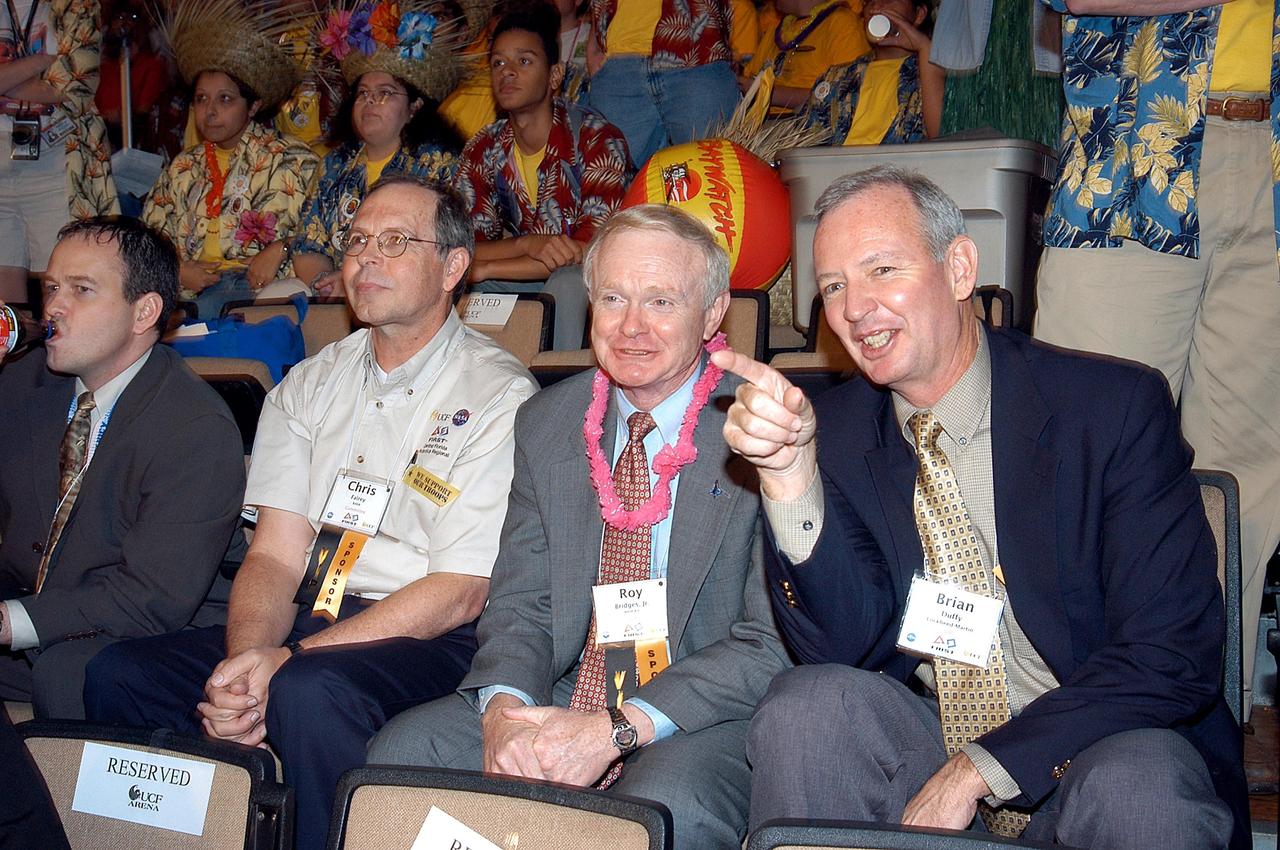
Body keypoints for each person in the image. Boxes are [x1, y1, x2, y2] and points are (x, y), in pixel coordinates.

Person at [717, 166, 1248, 849]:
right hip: (923, 740)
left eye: (882, 269)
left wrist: (984, 767)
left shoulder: (1109, 410)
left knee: (1138, 787)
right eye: (833, 286)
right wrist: (789, 477)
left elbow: (1172, 652)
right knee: (808, 709)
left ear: (960, 268)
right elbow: (843, 650)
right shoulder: (833, 432)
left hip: (1093, 746)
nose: (854, 308)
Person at [85, 175, 538, 850]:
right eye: (356, 241)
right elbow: (272, 554)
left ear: (452, 267)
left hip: (426, 632)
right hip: (305, 616)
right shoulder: (309, 384)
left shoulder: (500, 395)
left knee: (307, 690)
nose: (365, 258)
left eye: (394, 242)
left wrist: (287, 659)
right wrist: (247, 662)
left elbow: (461, 590)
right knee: (120, 675)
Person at [368, 204, 790, 850]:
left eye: (661, 302)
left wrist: (614, 731)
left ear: (711, 315)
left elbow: (768, 643)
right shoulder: (548, 421)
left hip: (702, 708)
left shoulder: (760, 430)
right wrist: (505, 712)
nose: (631, 327)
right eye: (613, 298)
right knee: (404, 753)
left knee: (666, 806)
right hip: (570, 684)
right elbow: (521, 603)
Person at [1033, 0, 1279, 721]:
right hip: (1130, 158)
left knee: (1245, 486)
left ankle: (1205, 734)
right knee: (1076, 462)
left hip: (1270, 166)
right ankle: (1055, 737)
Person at [0, 217, 244, 720]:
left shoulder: (193, 425)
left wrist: (10, 621)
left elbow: (150, 598)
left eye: (81, 291)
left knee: (69, 674)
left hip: (152, 634)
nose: (53, 308)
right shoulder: (24, 382)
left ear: (144, 312)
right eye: (50, 288)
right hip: (44, 606)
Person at [456, 4, 632, 350]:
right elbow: (462, 246)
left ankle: (560, 383)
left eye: (523, 61)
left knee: (567, 280)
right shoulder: (484, 146)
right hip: (520, 276)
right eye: (498, 63)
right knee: (449, 281)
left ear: (554, 76)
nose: (508, 72)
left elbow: (587, 252)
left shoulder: (596, 138)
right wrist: (523, 245)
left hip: (596, 284)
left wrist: (489, 266)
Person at [141, 0, 318, 319]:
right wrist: (178, 270)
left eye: (225, 99)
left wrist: (282, 248)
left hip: (255, 289)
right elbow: (149, 237)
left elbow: (324, 231)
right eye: (201, 99)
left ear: (253, 106)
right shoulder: (183, 167)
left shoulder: (292, 159)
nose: (210, 111)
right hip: (188, 291)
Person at [278, 0, 464, 297]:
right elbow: (307, 245)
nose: (369, 102)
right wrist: (327, 282)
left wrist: (353, 280)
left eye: (385, 94)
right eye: (363, 94)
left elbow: (434, 251)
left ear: (414, 107)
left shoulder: (437, 164)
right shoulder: (335, 164)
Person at [0, 0, 118, 303]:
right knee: (4, 298)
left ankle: (64, 351)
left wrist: (8, 77)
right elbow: (54, 81)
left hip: (58, 161)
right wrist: (44, 61)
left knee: (65, 281)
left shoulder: (77, 5)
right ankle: (14, 352)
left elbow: (71, 89)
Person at [584, 0, 740, 167]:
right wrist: (594, 43)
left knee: (717, 176)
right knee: (618, 183)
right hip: (618, 60)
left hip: (696, 49)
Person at [799, 0, 942, 144]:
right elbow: (804, 148)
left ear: (919, 14)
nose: (875, 7)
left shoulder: (935, 75)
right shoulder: (835, 78)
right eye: (869, 1)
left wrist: (924, 47)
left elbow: (943, 140)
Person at [739, 0, 867, 115]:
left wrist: (766, 92)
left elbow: (846, 95)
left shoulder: (842, 23)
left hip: (808, 130)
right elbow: (748, 79)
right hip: (763, 127)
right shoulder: (777, 29)